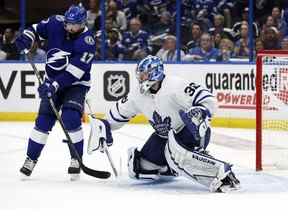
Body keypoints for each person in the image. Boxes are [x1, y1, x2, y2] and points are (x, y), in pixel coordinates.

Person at [89, 55, 240, 192]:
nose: (141, 78)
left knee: (176, 153)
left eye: (144, 74)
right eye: (140, 75)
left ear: (155, 73)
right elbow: (116, 115)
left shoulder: (175, 85)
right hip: (164, 136)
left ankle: (222, 173)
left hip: (190, 131)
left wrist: (200, 110)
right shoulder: (136, 95)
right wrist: (103, 127)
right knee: (140, 167)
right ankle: (172, 167)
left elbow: (208, 100)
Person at [15, 5, 96, 180]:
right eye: (67, 23)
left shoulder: (87, 42)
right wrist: (26, 38)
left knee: (71, 118)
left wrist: (54, 86)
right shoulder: (55, 23)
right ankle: (31, 159)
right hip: (52, 81)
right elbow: (35, 29)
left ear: (82, 24)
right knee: (43, 121)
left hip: (76, 84)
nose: (69, 27)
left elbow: (75, 72)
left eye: (73, 25)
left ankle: (76, 158)